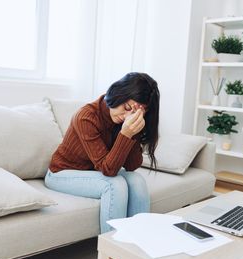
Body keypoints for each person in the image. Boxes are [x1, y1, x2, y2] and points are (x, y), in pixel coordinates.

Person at [45, 72, 160, 233]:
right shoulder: (86, 116)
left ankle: (136, 245)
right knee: (115, 185)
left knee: (137, 180)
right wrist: (125, 134)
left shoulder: (126, 121)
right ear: (118, 94)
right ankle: (111, 254)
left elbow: (132, 166)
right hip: (61, 173)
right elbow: (108, 170)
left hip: (94, 172)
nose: (126, 116)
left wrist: (134, 131)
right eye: (126, 108)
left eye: (134, 113)